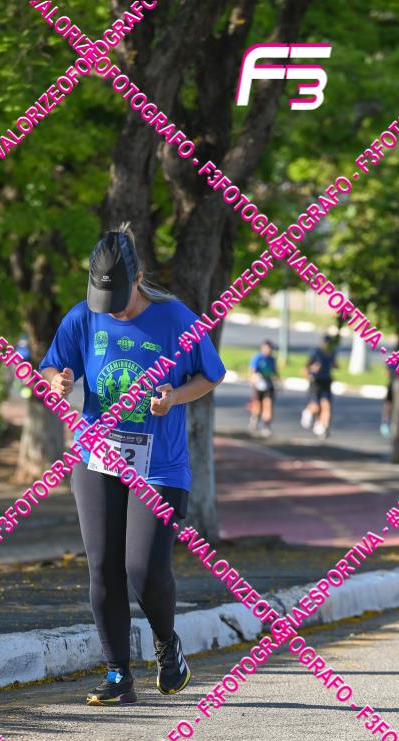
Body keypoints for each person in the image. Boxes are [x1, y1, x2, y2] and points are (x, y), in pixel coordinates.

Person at [39, 223, 226, 705]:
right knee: (103, 567)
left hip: (159, 465)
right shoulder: (84, 317)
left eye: (119, 301)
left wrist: (174, 397)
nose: (113, 311)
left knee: (141, 567)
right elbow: (52, 366)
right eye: (105, 301)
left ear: (139, 278)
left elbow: (210, 374)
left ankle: (167, 645)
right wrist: (57, 381)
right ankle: (118, 674)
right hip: (96, 456)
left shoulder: (176, 319)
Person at [301, 334, 337, 438]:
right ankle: (307, 412)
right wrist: (311, 372)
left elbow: (334, 364)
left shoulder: (332, 353)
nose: (327, 345)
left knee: (326, 405)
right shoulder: (316, 353)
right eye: (326, 343)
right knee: (316, 406)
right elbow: (305, 369)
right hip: (316, 382)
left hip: (326, 381)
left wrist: (334, 366)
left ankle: (322, 427)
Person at [248, 339, 278, 437]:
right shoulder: (258, 358)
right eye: (266, 348)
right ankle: (254, 420)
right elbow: (252, 371)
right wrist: (253, 381)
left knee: (268, 405)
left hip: (268, 385)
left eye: (270, 349)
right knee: (257, 406)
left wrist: (278, 383)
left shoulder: (272, 359)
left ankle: (266, 426)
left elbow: (275, 372)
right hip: (258, 385)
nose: (268, 351)